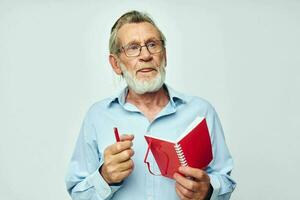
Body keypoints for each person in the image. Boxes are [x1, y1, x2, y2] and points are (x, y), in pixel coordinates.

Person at [65, 10, 236, 200]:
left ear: (165, 56)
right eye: (132, 47)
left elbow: (225, 181)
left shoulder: (201, 112)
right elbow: (78, 193)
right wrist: (105, 177)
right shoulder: (97, 116)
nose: (146, 55)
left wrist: (209, 190)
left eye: (153, 45)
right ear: (116, 64)